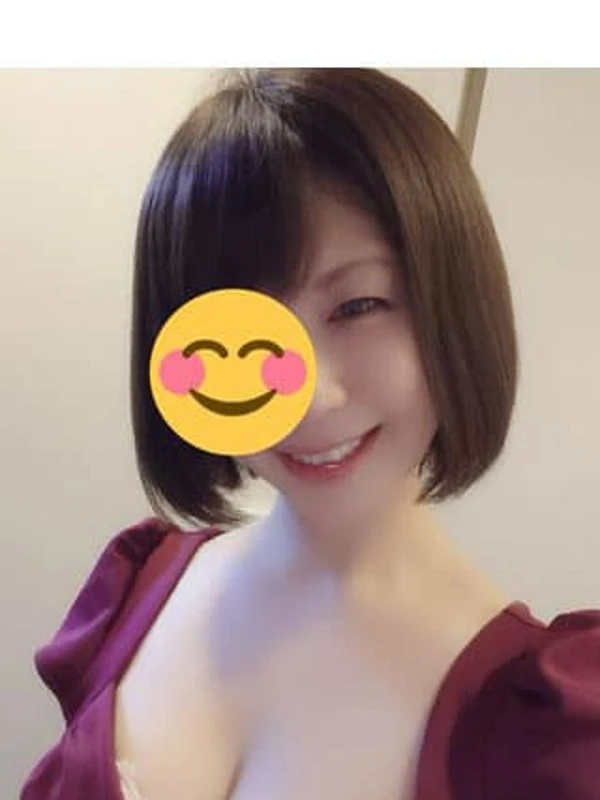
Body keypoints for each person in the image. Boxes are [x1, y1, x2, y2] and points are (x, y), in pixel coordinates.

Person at [21, 68, 600, 800]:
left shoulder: (546, 730)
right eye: (238, 333)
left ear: (452, 303)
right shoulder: (138, 588)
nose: (306, 399)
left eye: (358, 305)